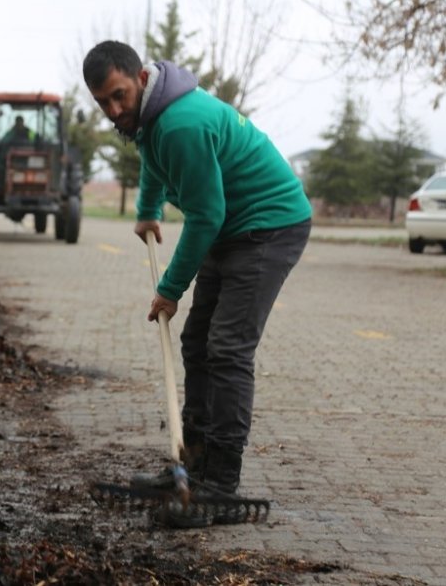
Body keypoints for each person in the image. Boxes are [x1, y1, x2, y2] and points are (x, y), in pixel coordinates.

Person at [82, 40, 312, 524]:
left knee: (227, 348)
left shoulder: (182, 122)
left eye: (119, 95)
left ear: (141, 78)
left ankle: (220, 486)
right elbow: (152, 155)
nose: (114, 109)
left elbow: (206, 216)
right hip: (232, 225)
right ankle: (194, 465)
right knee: (197, 340)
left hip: (268, 226)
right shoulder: (152, 115)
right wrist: (147, 211)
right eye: (103, 102)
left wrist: (170, 287)